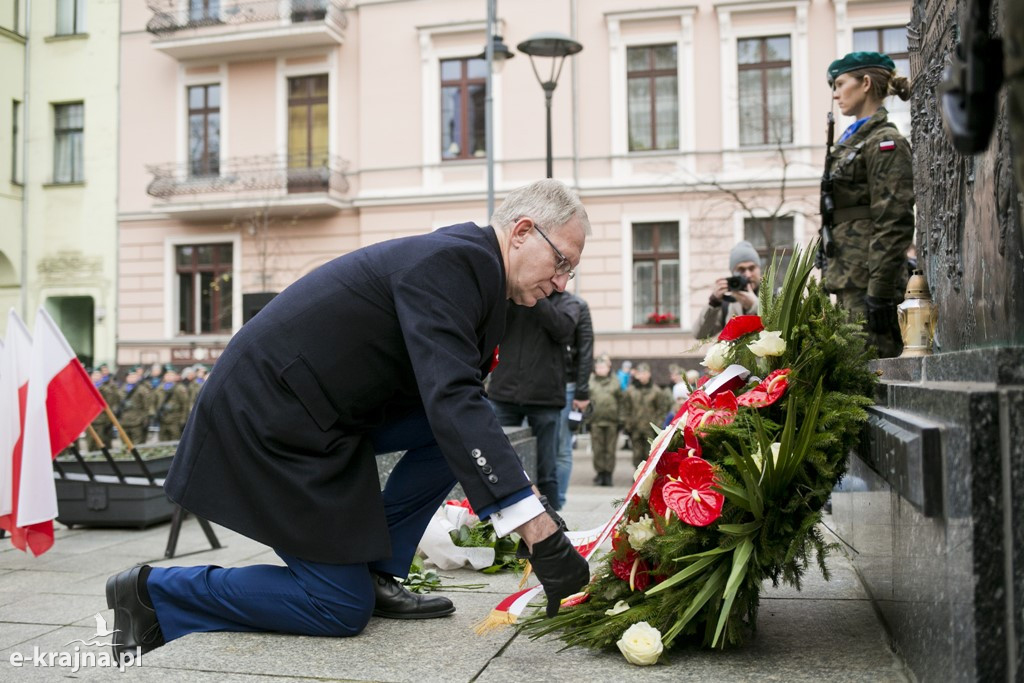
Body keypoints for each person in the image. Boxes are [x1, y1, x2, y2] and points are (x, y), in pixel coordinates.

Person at [104, 178, 592, 658]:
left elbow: (459, 411)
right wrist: (538, 533)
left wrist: (530, 505)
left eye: (571, 271)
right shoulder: (456, 261)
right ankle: (155, 591)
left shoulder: (479, 275)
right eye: (562, 262)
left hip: (319, 415)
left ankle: (377, 571)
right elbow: (453, 398)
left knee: (457, 436)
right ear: (522, 231)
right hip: (269, 419)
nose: (562, 282)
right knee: (336, 606)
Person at [822, 51, 914, 359]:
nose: (835, 93)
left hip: (870, 285)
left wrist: (879, 290)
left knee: (872, 374)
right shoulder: (855, 139)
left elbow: (893, 221)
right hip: (850, 279)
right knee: (854, 377)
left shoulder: (884, 141)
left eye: (840, 83)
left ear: (864, 83)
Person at [487, 290, 582, 509]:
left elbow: (564, 330)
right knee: (498, 462)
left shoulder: (568, 302)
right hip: (504, 392)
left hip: (545, 397)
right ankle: (499, 516)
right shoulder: (511, 296)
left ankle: (555, 522)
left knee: (546, 468)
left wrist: (536, 295)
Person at [554, 293, 593, 509]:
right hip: (539, 385)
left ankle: (558, 502)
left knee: (562, 448)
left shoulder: (578, 305)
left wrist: (582, 392)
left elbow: (586, 352)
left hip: (568, 386)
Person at [695, 240, 762, 339]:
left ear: (759, 269)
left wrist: (755, 306)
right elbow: (700, 334)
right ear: (733, 273)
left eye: (751, 268)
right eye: (741, 270)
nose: (747, 275)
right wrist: (714, 303)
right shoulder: (727, 305)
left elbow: (779, 330)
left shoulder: (775, 297)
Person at [621, 363, 672, 468]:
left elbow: (662, 409)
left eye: (645, 373)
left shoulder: (656, 391)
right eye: (640, 373)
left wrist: (657, 424)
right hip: (635, 427)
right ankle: (637, 474)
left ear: (649, 374)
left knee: (649, 454)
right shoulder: (630, 391)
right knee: (637, 453)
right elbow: (625, 408)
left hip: (650, 429)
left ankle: (647, 477)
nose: (642, 376)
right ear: (636, 375)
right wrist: (627, 424)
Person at [586, 355, 621, 487]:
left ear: (608, 368)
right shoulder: (591, 382)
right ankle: (600, 473)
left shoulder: (615, 381)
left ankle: (608, 474)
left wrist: (621, 419)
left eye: (603, 367)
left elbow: (621, 401)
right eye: (598, 367)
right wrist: (587, 421)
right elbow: (587, 403)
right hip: (595, 421)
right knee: (598, 449)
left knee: (610, 449)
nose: (600, 369)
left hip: (612, 421)